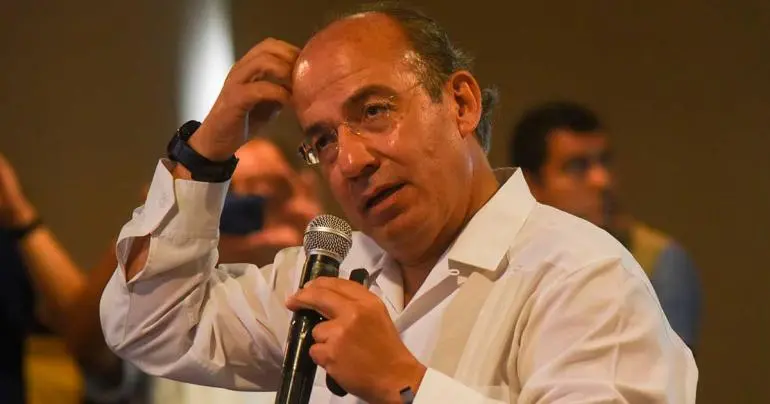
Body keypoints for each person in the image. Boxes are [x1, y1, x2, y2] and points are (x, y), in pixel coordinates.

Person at [100, 4, 697, 403]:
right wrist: (206, 151)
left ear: (461, 104)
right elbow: (148, 326)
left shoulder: (580, 275)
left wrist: (403, 384)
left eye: (374, 111)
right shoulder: (326, 278)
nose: (350, 159)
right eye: (323, 140)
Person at [0, 138, 318, 403]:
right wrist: (151, 227)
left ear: (304, 191)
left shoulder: (328, 283)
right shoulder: (171, 300)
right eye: (230, 193)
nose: (245, 207)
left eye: (266, 191)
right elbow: (88, 346)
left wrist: (317, 246)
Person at [509, 100, 702, 350]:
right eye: (577, 166)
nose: (602, 180)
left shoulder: (658, 261)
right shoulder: (508, 260)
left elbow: (665, 369)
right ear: (530, 183)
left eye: (605, 161)